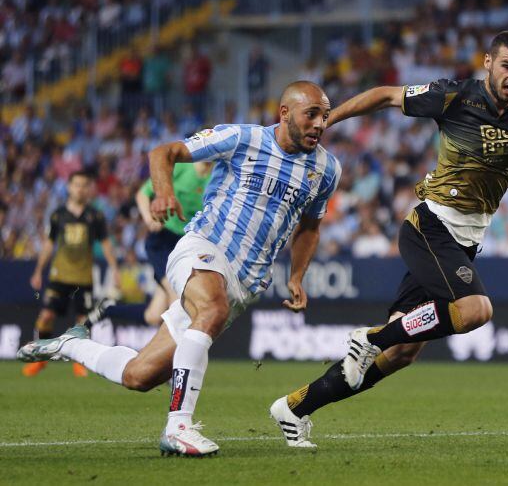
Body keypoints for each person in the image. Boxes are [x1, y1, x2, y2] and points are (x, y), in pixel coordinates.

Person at [270, 30, 508, 448]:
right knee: (476, 310)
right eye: (507, 66)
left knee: (401, 354)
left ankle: (295, 407)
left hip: (464, 242)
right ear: (488, 62)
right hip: (430, 227)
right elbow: (386, 96)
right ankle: (370, 338)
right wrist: (331, 118)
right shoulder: (455, 97)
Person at [18, 81, 341, 457]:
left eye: (326, 116)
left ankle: (72, 345)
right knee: (212, 309)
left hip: (245, 282)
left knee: (140, 376)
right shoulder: (241, 138)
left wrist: (297, 276)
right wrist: (164, 192)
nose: (320, 123)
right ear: (284, 113)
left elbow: (310, 227)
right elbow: (164, 151)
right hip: (203, 248)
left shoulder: (327, 169)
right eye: (312, 114)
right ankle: (179, 427)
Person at [23, 171, 120, 378]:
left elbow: (105, 245)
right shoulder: (58, 215)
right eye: (76, 184)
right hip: (59, 276)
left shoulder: (95, 216)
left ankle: (80, 361)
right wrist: (39, 270)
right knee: (46, 316)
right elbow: (49, 244)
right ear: (69, 187)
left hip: (83, 278)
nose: (80, 189)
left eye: (85, 185)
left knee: (82, 321)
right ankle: (40, 359)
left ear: (89, 189)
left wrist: (115, 269)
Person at [135, 161, 212, 325]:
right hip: (162, 241)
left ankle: (107, 310)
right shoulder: (181, 167)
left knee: (153, 316)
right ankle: (178, 349)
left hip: (187, 243)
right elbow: (142, 193)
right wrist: (149, 220)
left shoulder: (218, 174)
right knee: (177, 298)